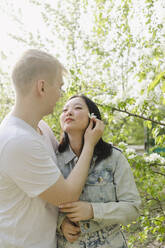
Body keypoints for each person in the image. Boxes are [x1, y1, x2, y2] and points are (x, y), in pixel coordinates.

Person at [0, 50, 104, 248]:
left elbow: (53, 181)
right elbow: (66, 195)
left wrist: (60, 221)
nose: (61, 94)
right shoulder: (17, 141)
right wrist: (90, 143)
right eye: (59, 86)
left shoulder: (42, 129)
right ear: (42, 87)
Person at [56, 95, 141, 248]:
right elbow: (40, 206)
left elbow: (132, 208)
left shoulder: (114, 158)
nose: (68, 112)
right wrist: (60, 224)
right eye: (64, 110)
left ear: (93, 119)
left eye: (77, 108)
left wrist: (93, 210)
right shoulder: (52, 160)